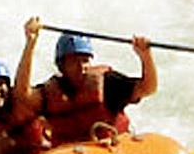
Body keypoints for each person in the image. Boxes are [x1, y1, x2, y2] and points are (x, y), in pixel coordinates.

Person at [17, 17, 157, 145]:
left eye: (85, 60)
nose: (81, 66)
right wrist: (30, 44)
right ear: (62, 65)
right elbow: (23, 94)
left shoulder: (108, 82)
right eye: (73, 61)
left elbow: (148, 88)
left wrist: (146, 56)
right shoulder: (50, 93)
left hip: (110, 150)